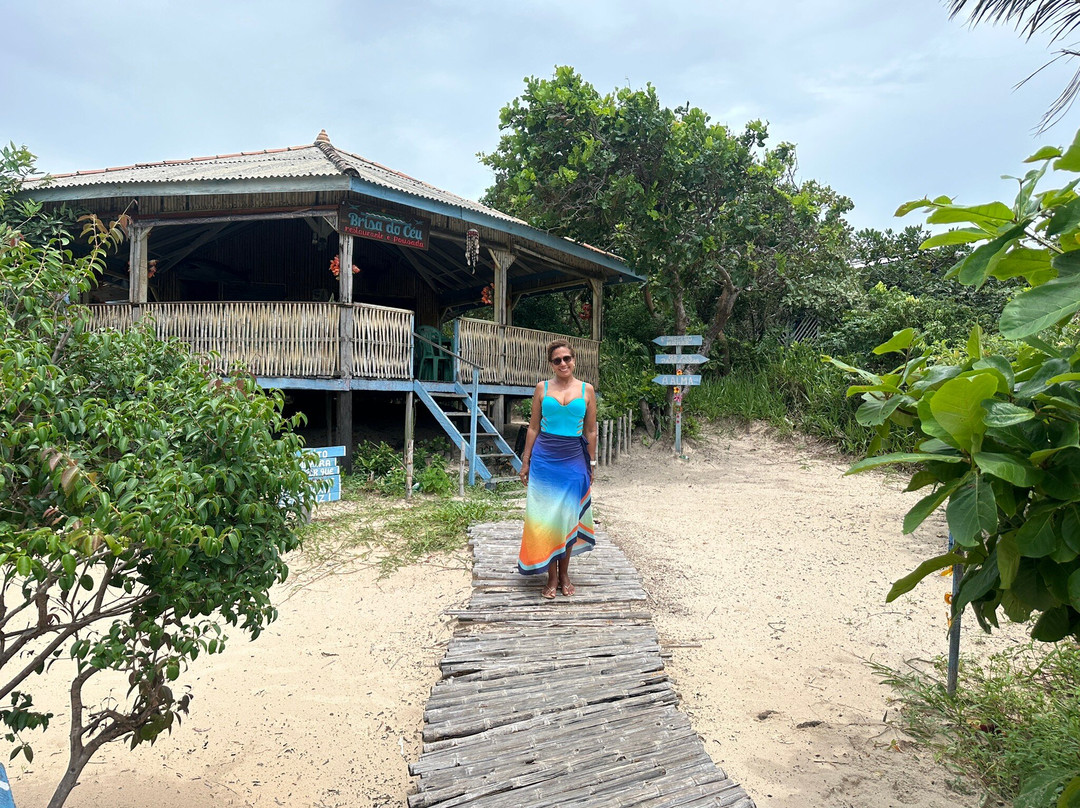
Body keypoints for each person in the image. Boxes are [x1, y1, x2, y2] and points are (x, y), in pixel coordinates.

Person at [517, 339, 598, 598]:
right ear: (551, 364)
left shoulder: (587, 390)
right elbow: (533, 427)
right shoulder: (542, 388)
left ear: (574, 360)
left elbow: (591, 430)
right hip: (544, 458)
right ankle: (552, 576)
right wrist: (526, 460)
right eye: (557, 360)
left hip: (574, 457)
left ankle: (565, 574)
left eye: (567, 358)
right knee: (545, 518)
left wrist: (591, 463)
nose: (563, 363)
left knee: (567, 515)